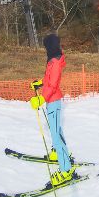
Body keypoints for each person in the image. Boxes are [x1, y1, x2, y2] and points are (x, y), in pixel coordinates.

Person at [30, 34, 76, 186]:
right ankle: (59, 155)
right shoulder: (52, 61)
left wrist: (41, 98)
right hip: (51, 101)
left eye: (46, 46)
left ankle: (66, 170)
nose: (46, 50)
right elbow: (49, 80)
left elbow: (53, 84)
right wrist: (40, 82)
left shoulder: (55, 62)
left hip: (53, 101)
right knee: (56, 131)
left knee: (56, 136)